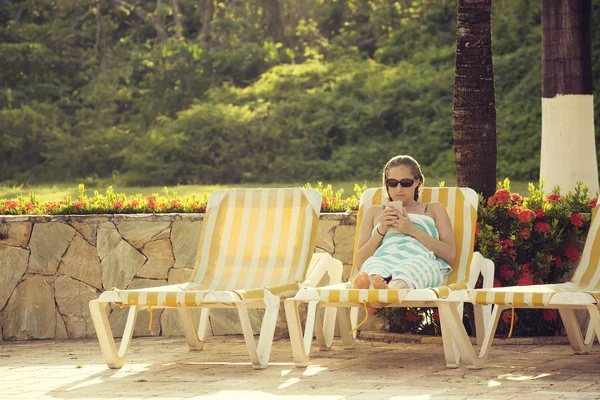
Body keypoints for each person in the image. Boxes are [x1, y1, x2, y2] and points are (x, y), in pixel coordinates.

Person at [352, 155, 456, 290]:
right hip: (383, 258)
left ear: (417, 182)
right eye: (393, 183)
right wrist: (381, 229)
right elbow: (360, 261)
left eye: (405, 183)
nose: (399, 189)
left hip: (420, 259)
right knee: (372, 267)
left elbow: (450, 255)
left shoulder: (433, 209)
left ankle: (387, 290)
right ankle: (375, 288)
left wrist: (411, 230)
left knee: (409, 271)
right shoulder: (374, 212)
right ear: (386, 185)